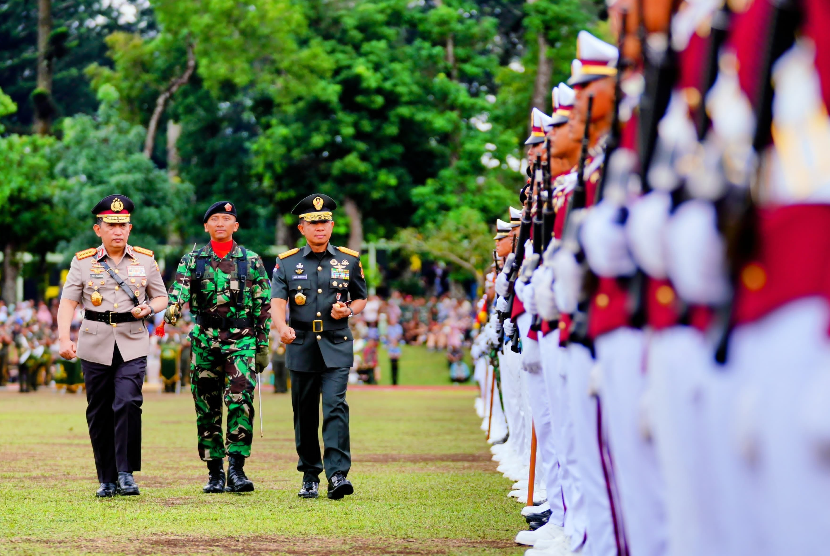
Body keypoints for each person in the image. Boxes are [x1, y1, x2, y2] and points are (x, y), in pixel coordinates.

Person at [57, 194, 168, 498]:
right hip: (94, 341)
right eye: (111, 224)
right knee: (99, 410)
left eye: (123, 225)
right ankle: (106, 478)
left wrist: (149, 308)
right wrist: (64, 338)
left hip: (133, 340)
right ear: (99, 229)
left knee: (129, 402)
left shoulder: (145, 259)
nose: (118, 230)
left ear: (130, 228)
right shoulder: (83, 262)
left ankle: (125, 472)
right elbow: (67, 303)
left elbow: (162, 297)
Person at [163, 200, 272, 494]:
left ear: (235, 226)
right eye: (215, 219)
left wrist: (262, 346)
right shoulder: (192, 260)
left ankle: (236, 468)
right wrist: (173, 308)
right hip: (204, 340)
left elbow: (263, 306)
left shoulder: (251, 260)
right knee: (207, 406)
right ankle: (214, 472)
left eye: (226, 219)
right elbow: (179, 291)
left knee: (240, 401)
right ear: (206, 226)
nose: (221, 223)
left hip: (242, 339)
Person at [271, 193, 368, 500]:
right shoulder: (287, 263)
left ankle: (337, 474)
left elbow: (361, 297)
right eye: (313, 224)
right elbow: (277, 302)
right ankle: (310, 474)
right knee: (305, 412)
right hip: (300, 343)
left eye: (324, 222)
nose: (319, 229)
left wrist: (349, 310)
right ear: (302, 228)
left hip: (336, 342)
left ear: (332, 225)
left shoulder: (349, 260)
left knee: (335, 406)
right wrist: (281, 327)